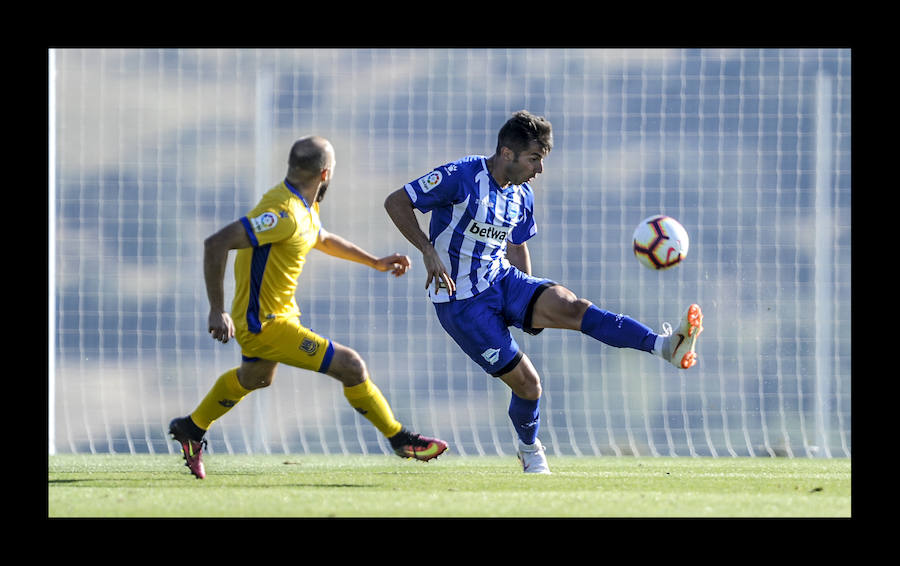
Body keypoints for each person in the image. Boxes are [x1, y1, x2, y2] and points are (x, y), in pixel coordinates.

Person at [384, 111, 702, 474]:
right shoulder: (461, 176)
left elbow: (516, 244)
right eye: (534, 159)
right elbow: (396, 201)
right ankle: (529, 449)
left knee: (574, 307)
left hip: (503, 281)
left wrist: (528, 299)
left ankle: (665, 347)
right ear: (507, 153)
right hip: (461, 303)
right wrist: (427, 250)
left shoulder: (521, 195)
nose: (539, 169)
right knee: (529, 386)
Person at [169, 136, 448, 479]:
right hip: (265, 324)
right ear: (326, 173)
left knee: (256, 377)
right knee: (350, 365)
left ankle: (191, 428)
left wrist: (375, 261)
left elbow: (321, 237)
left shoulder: (304, 205)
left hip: (279, 316)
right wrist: (217, 310)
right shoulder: (282, 213)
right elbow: (217, 243)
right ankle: (400, 438)